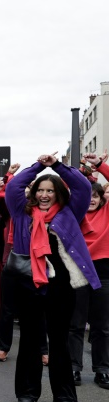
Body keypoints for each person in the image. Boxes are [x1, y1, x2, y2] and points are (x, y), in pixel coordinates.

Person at [6, 152, 98, 402]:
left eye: (50, 190)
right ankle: (27, 393)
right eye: (40, 190)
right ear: (33, 193)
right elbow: (13, 187)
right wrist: (37, 167)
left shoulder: (70, 213)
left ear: (58, 193)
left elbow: (81, 185)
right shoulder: (21, 213)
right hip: (29, 284)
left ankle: (65, 396)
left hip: (61, 286)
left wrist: (56, 166)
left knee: (59, 340)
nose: (45, 195)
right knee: (30, 340)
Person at [72, 153, 109, 389]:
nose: (92, 200)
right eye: (89, 196)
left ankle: (102, 369)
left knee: (102, 326)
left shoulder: (107, 214)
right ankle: (74, 367)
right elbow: (68, 186)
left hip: (104, 272)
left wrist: (99, 166)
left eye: (96, 196)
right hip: (76, 272)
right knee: (74, 323)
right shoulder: (73, 214)